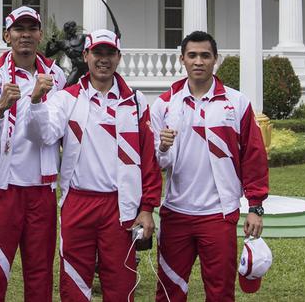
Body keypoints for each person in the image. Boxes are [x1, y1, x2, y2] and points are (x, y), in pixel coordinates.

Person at [27, 29, 161, 302]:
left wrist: (147, 208)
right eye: (98, 52)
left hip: (120, 205)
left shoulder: (135, 101)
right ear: (86, 55)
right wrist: (37, 101)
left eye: (110, 53)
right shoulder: (66, 98)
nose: (104, 59)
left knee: (120, 282)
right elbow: (43, 135)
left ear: (119, 57)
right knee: (74, 282)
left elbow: (148, 158)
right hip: (79, 201)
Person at [149, 31, 269, 302]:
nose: (198, 61)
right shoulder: (164, 104)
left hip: (219, 214)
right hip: (176, 212)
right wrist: (163, 147)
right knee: (168, 291)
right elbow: (157, 163)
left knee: (220, 291)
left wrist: (255, 207)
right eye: (192, 55)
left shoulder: (236, 102)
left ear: (216, 59)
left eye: (205, 55)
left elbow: (254, 157)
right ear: (182, 59)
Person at [0, 5, 67, 302]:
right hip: (3, 189)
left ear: (40, 35)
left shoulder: (55, 76)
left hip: (41, 188)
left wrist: (36, 101)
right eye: (18, 29)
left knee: (40, 272)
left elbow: (49, 134)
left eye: (31, 29)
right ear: (6, 36)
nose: (25, 35)